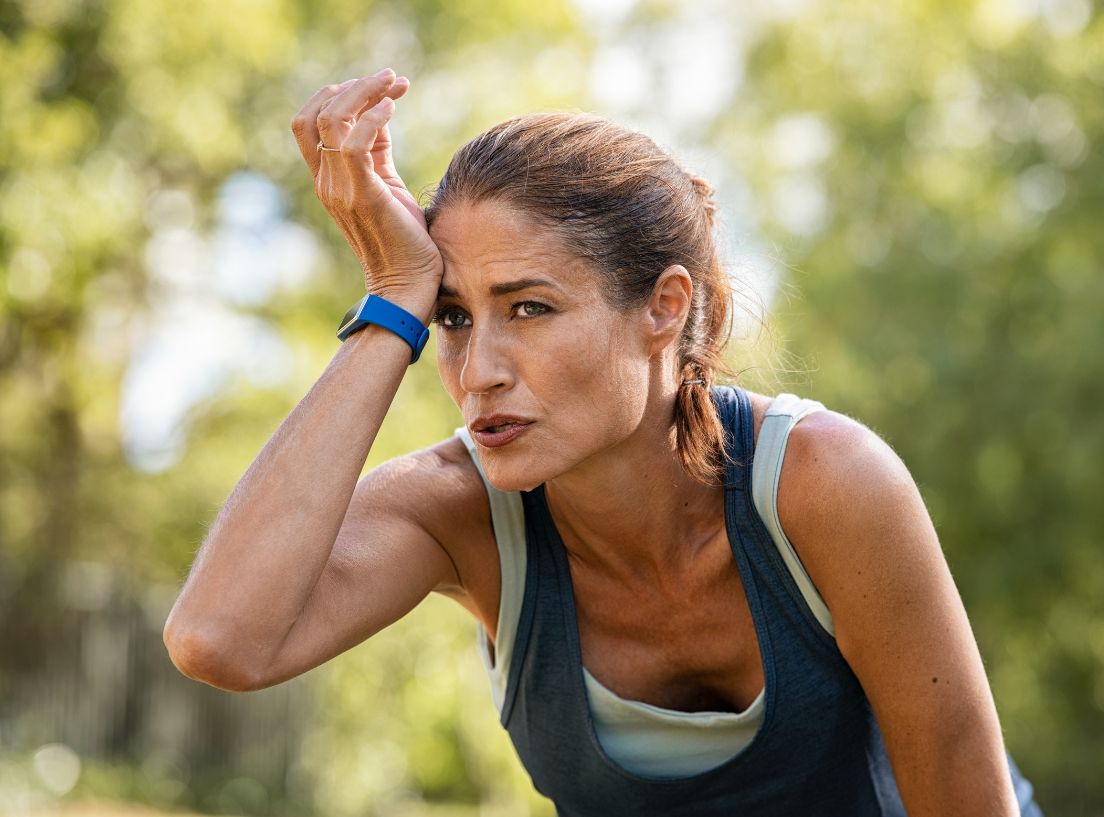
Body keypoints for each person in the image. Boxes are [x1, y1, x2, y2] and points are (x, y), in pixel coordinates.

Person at [163, 67, 1045, 817]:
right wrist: (395, 299)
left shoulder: (824, 484)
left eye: (530, 308)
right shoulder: (463, 513)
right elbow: (218, 638)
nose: (478, 371)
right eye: (456, 317)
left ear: (664, 307)